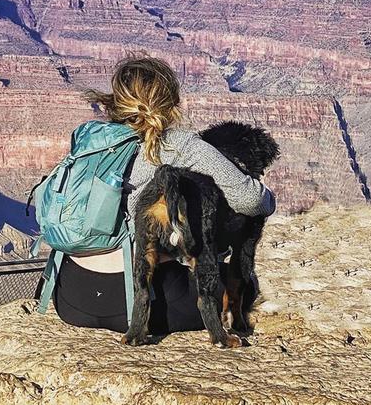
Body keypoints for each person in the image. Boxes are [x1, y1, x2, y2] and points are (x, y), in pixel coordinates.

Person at [49, 52, 276, 335]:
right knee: (245, 286)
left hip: (70, 296)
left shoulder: (89, 138)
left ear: (116, 100)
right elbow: (250, 200)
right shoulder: (181, 146)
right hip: (132, 303)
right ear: (171, 102)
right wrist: (268, 197)